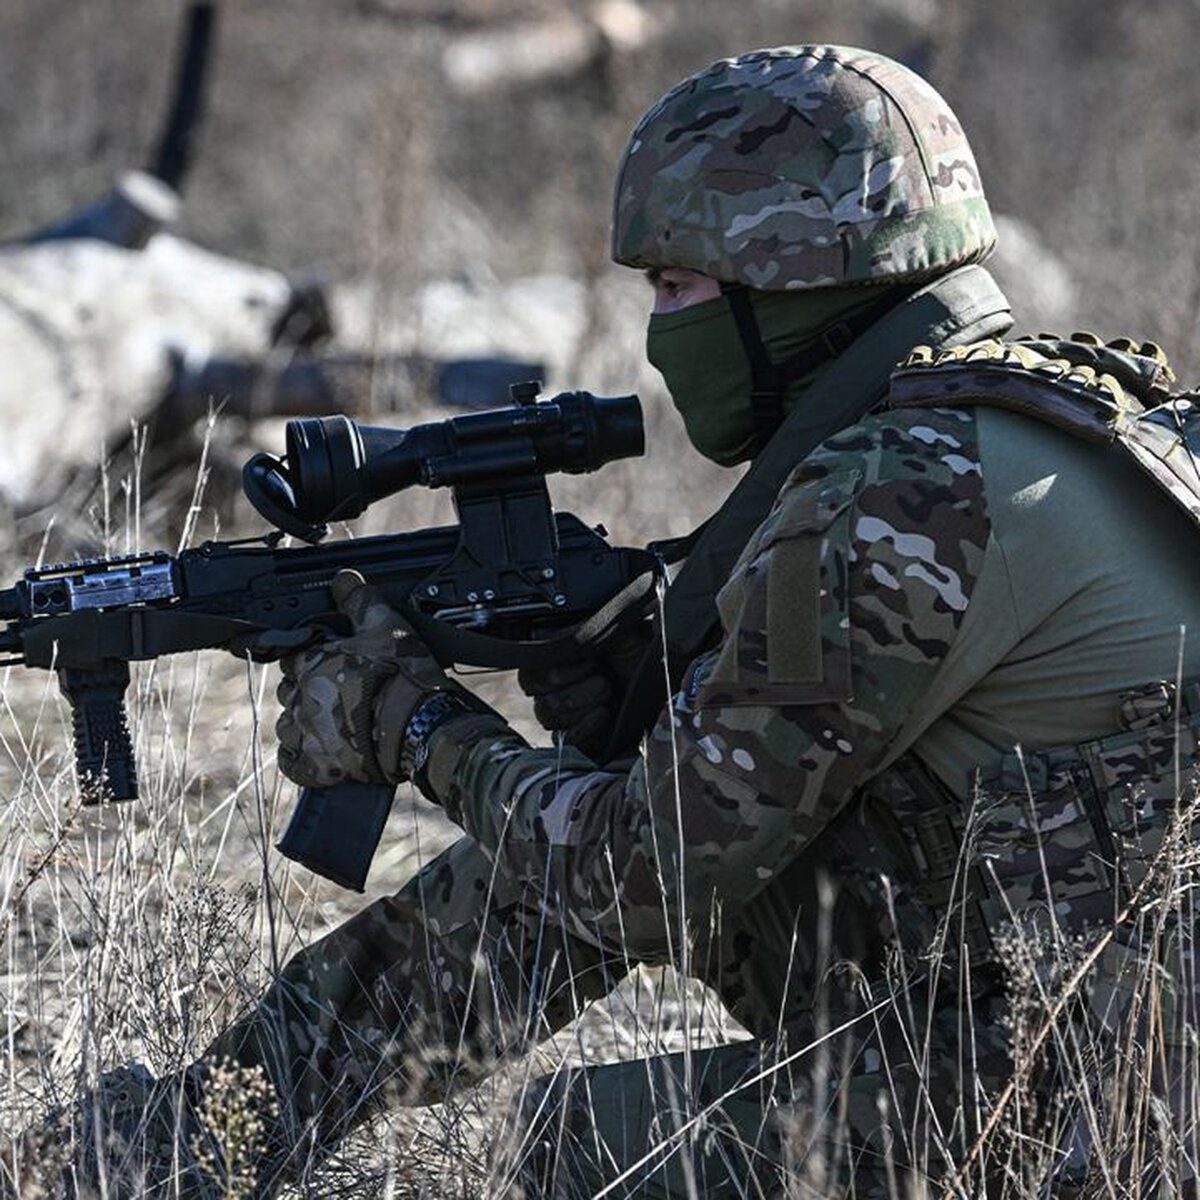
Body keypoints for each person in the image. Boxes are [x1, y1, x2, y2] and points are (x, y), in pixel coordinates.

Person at [16, 43, 1200, 1199]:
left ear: (794, 279)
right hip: (1074, 1032)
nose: (658, 329)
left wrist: (418, 727)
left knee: (574, 1146)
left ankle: (196, 1142)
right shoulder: (1053, 414)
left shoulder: (897, 496)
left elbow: (649, 881)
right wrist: (624, 687)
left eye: (678, 287)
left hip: (1109, 1114)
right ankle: (201, 1137)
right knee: (564, 856)